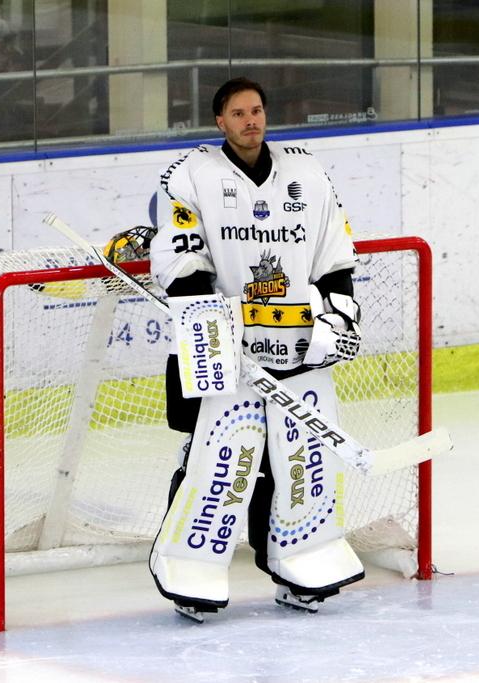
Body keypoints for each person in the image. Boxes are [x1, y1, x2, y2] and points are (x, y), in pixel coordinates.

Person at [147, 77, 364, 620]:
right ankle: (191, 568)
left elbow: (334, 253)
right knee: (216, 458)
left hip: (297, 348)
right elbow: (182, 257)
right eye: (239, 113)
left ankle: (297, 562)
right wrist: (212, 326)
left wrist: (337, 316)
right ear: (219, 121)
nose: (251, 120)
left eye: (258, 110)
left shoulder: (306, 173)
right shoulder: (192, 173)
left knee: (298, 462)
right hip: (221, 349)